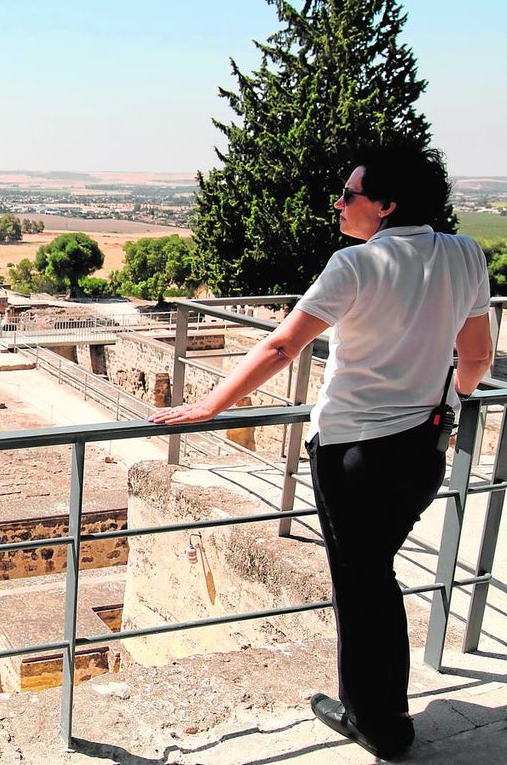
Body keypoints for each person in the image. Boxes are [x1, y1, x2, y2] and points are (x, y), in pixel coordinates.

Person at [149, 144, 493, 761]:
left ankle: (379, 724)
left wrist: (211, 406)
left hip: (354, 451)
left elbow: (284, 347)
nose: (338, 204)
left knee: (361, 588)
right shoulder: (465, 255)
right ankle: (381, 708)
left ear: (386, 206)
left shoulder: (354, 265)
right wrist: (446, 398)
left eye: (350, 195)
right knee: (376, 577)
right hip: (423, 447)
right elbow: (477, 358)